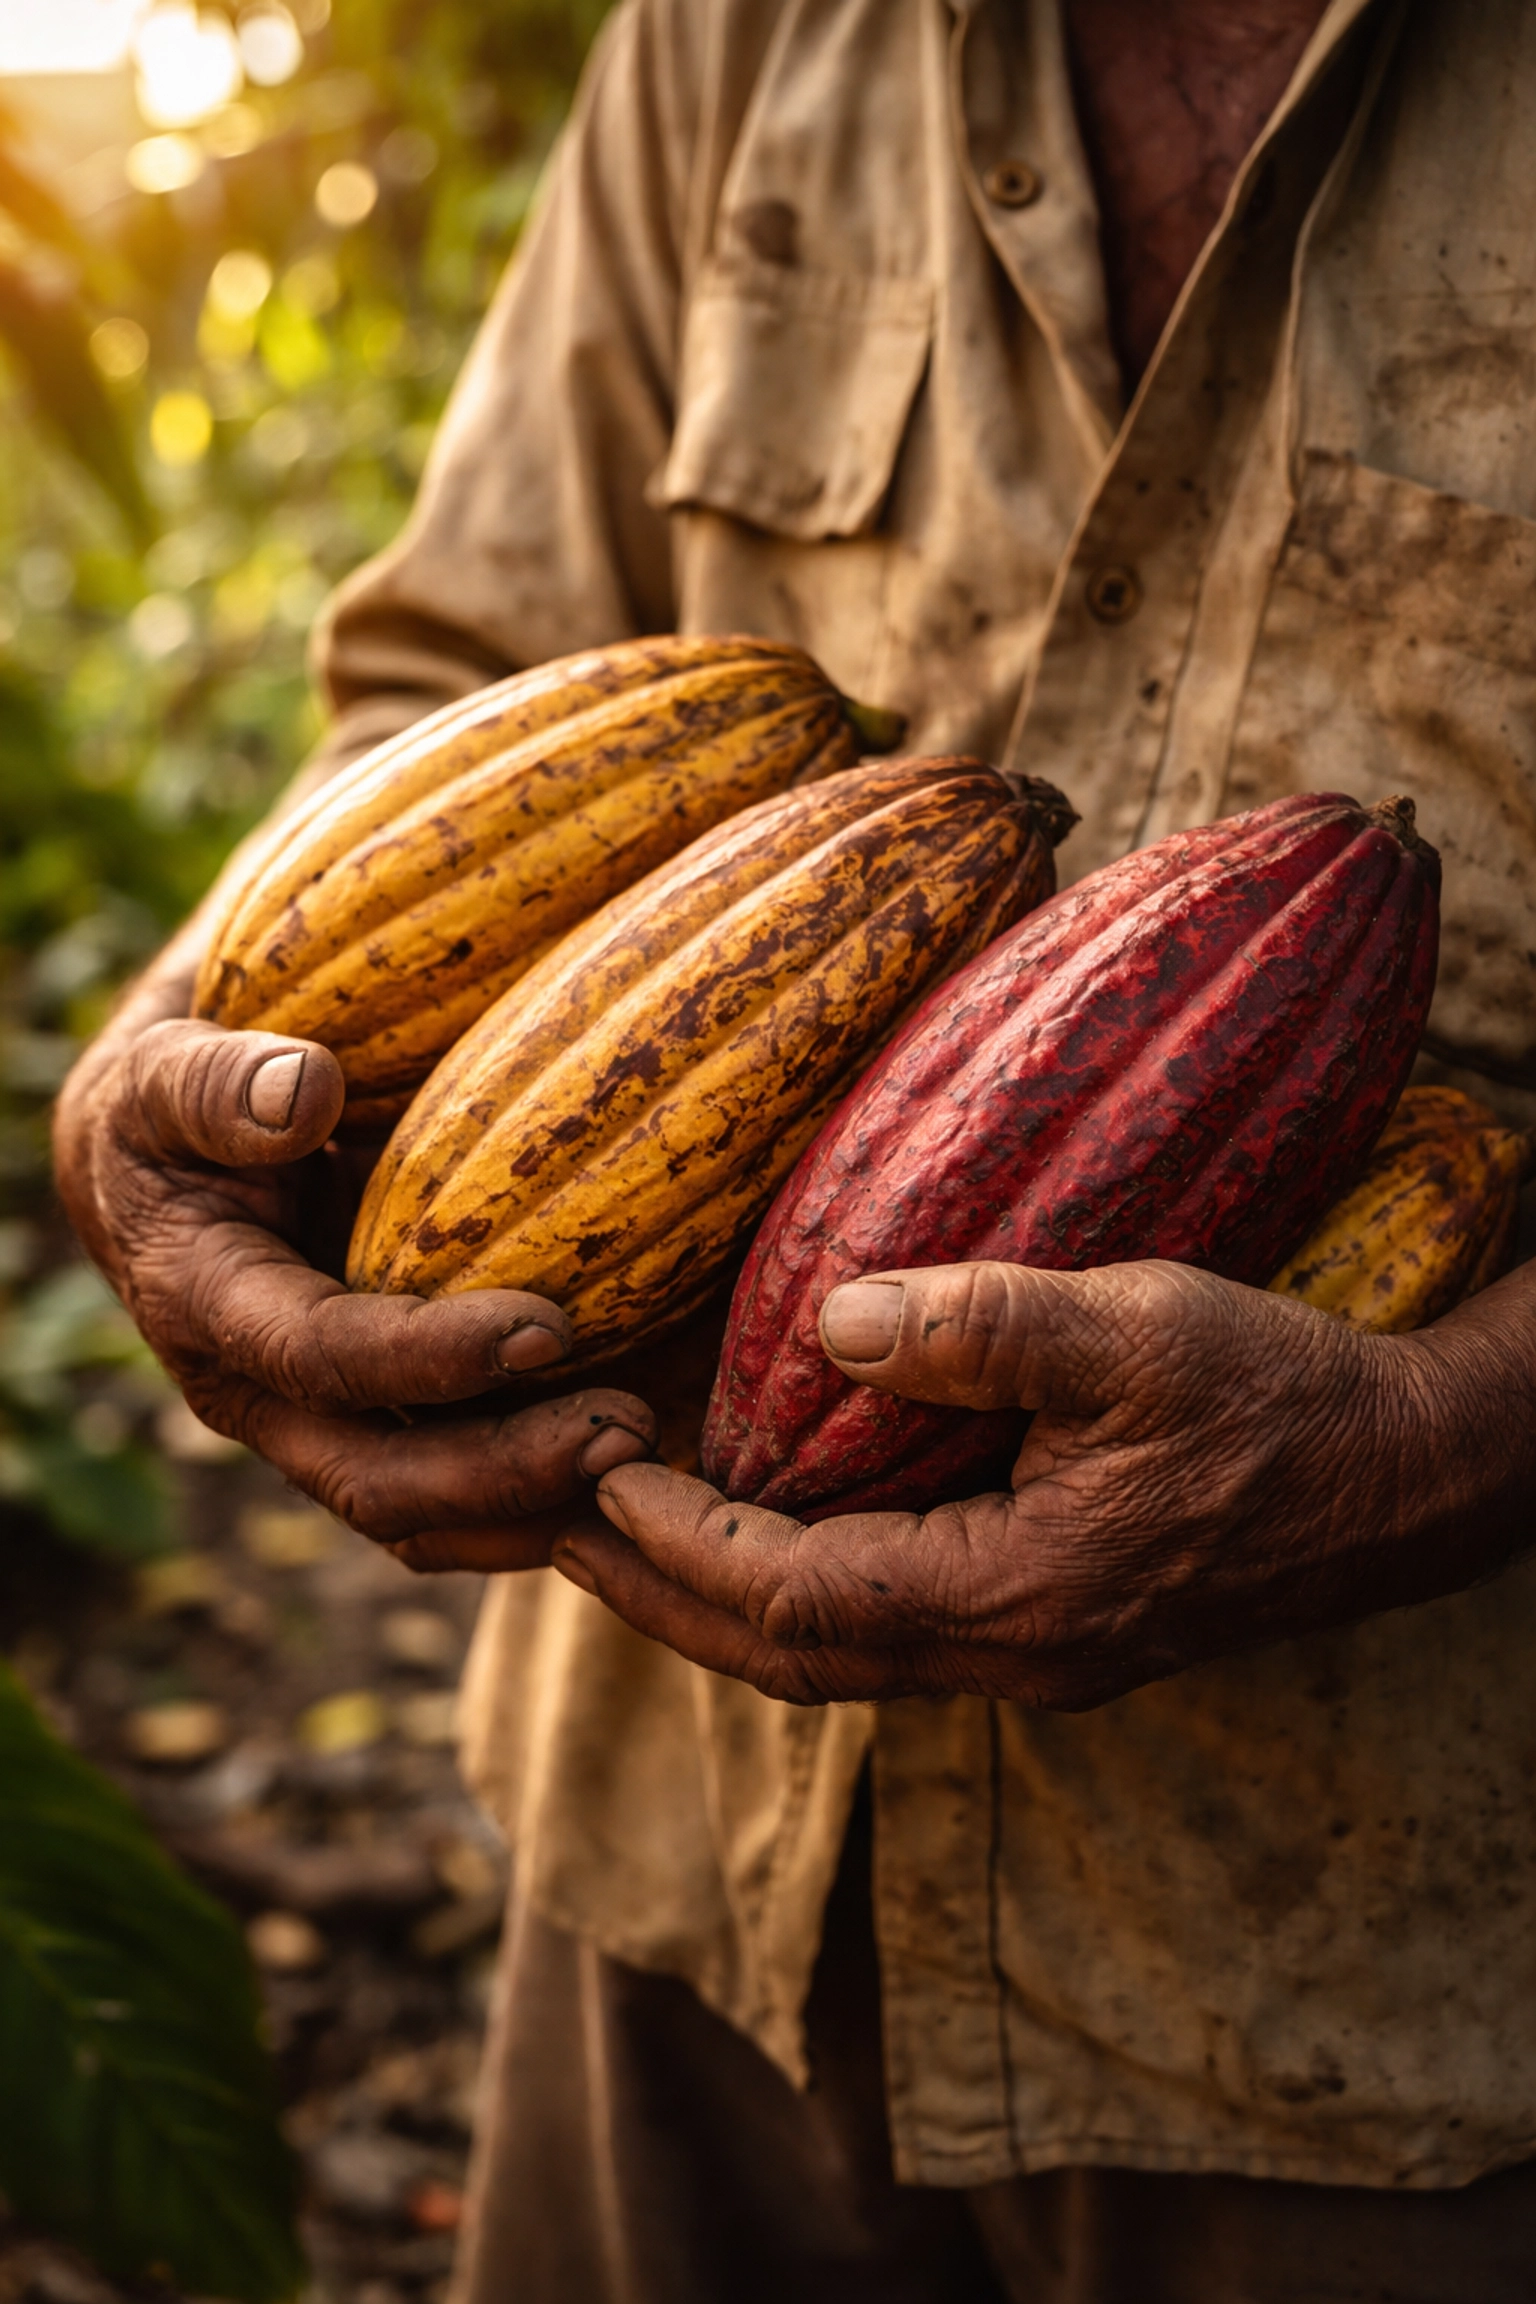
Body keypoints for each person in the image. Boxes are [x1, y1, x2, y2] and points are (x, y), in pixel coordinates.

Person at [53, 0, 1536, 2295]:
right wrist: (176, 1074)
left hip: (1399, 1995)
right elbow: (453, 697)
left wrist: (1464, 1424)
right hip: (675, 1879)